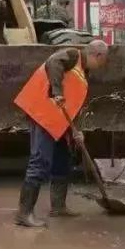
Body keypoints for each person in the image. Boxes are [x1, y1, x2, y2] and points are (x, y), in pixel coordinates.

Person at [12, 40, 110, 227]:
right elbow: (53, 62)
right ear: (97, 55)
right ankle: (24, 213)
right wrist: (57, 91)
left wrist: (78, 130)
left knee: (62, 160)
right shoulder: (72, 56)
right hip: (43, 114)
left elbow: (75, 105)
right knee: (40, 161)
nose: (100, 67)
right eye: (102, 62)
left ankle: (58, 207)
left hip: (60, 121)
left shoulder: (83, 72)